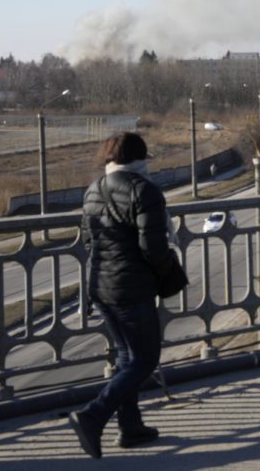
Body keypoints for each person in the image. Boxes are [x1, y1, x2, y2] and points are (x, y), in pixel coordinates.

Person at [70, 131, 188, 459]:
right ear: (141, 157)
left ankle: (131, 428)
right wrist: (169, 272)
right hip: (130, 289)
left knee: (126, 357)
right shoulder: (143, 189)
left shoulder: (93, 189)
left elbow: (87, 240)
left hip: (100, 286)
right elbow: (153, 248)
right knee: (145, 359)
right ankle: (92, 416)